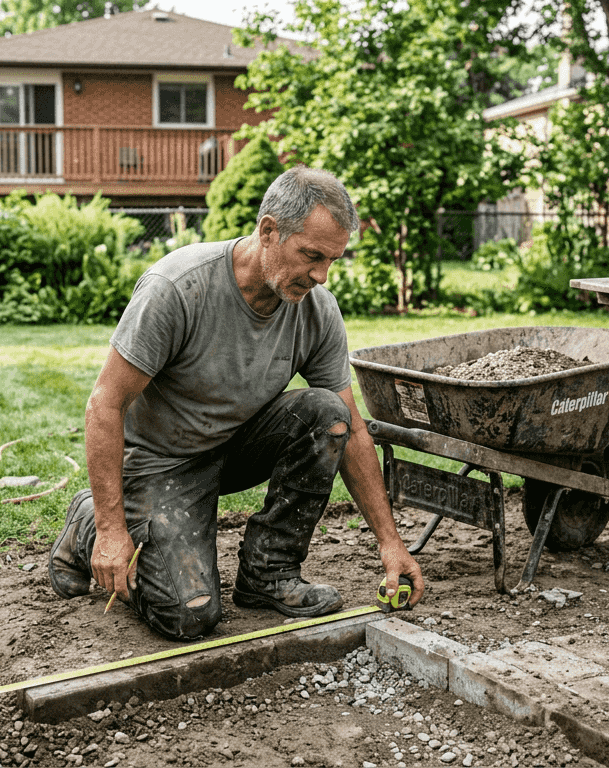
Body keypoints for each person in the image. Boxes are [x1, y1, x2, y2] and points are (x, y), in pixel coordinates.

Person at [49, 166, 425, 640]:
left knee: (328, 414)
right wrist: (110, 529)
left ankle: (269, 572)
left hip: (235, 449)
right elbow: (104, 405)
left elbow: (352, 429)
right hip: (161, 462)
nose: (321, 275)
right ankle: (87, 521)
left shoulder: (316, 309)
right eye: (312, 255)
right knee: (189, 616)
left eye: (332, 260)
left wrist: (390, 543)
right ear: (268, 231)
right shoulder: (178, 287)